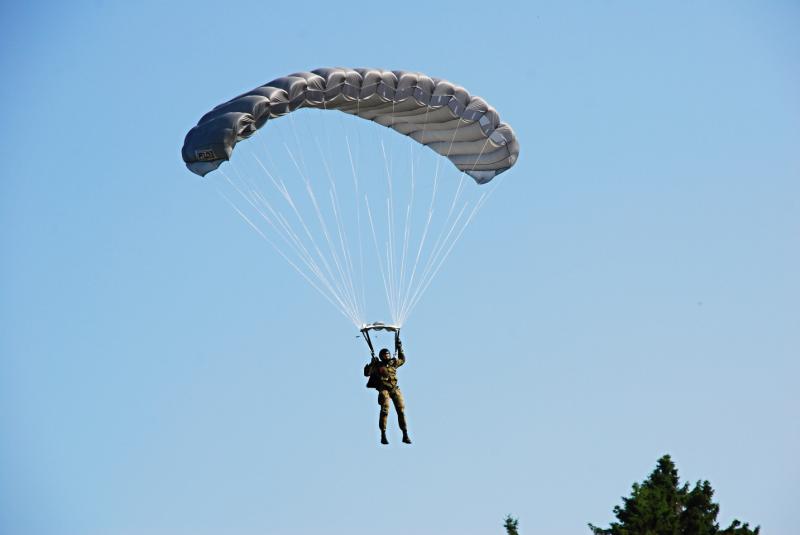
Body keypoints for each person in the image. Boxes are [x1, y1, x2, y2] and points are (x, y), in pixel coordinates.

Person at [363, 333, 411, 445]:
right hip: (383, 389)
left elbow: (402, 359)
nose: (387, 356)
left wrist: (400, 347)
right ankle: (383, 434)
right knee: (385, 410)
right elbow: (366, 373)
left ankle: (405, 434)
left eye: (388, 354)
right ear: (381, 356)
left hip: (394, 388)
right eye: (385, 355)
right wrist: (371, 364)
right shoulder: (377, 365)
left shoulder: (393, 363)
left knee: (401, 410)